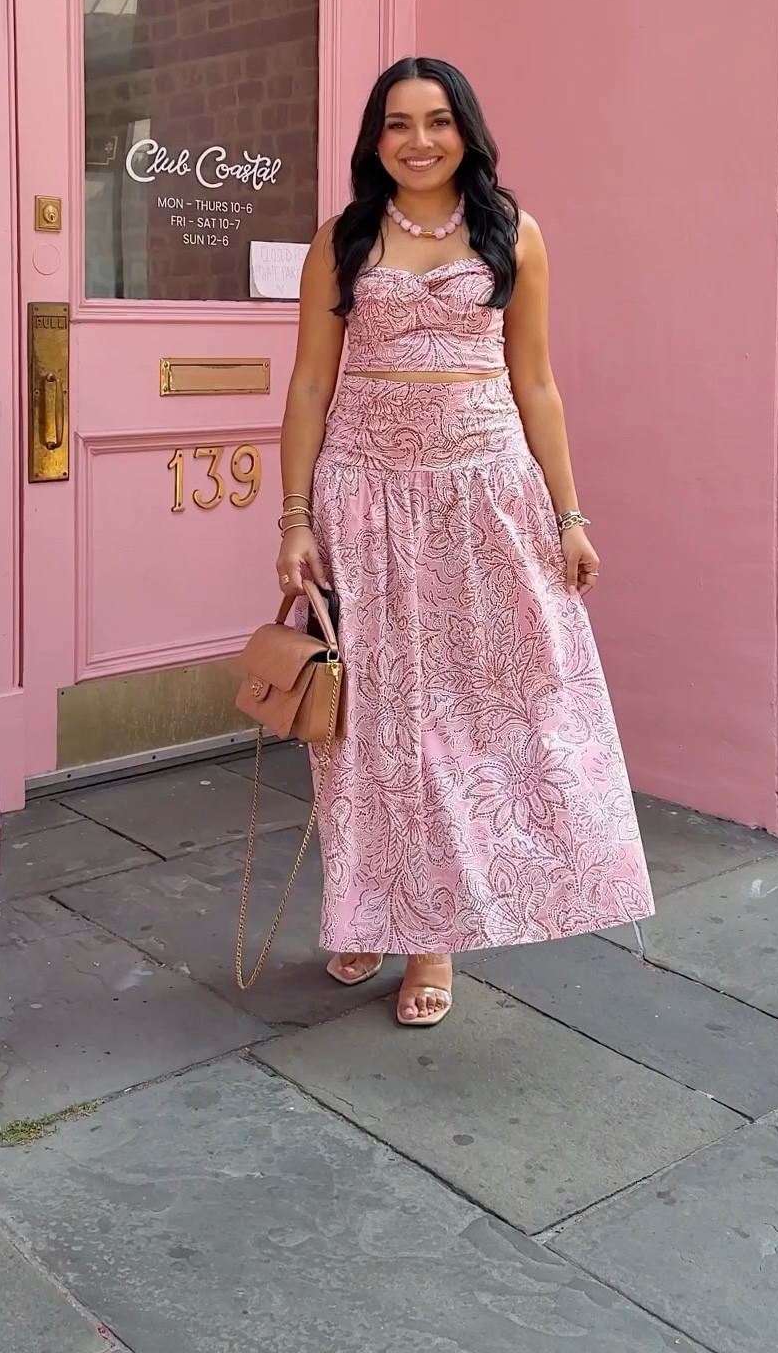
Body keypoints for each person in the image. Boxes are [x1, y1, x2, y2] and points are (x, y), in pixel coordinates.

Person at [277, 58, 653, 1028]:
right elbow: (311, 386)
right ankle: (366, 904)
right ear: (374, 139)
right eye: (397, 124)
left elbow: (536, 383)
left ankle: (432, 936)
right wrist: (294, 520)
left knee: (469, 719)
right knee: (367, 726)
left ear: (466, 131)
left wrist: (568, 516)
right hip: (364, 504)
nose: (417, 141)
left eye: (437, 122)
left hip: (484, 502)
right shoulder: (342, 240)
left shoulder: (510, 234)